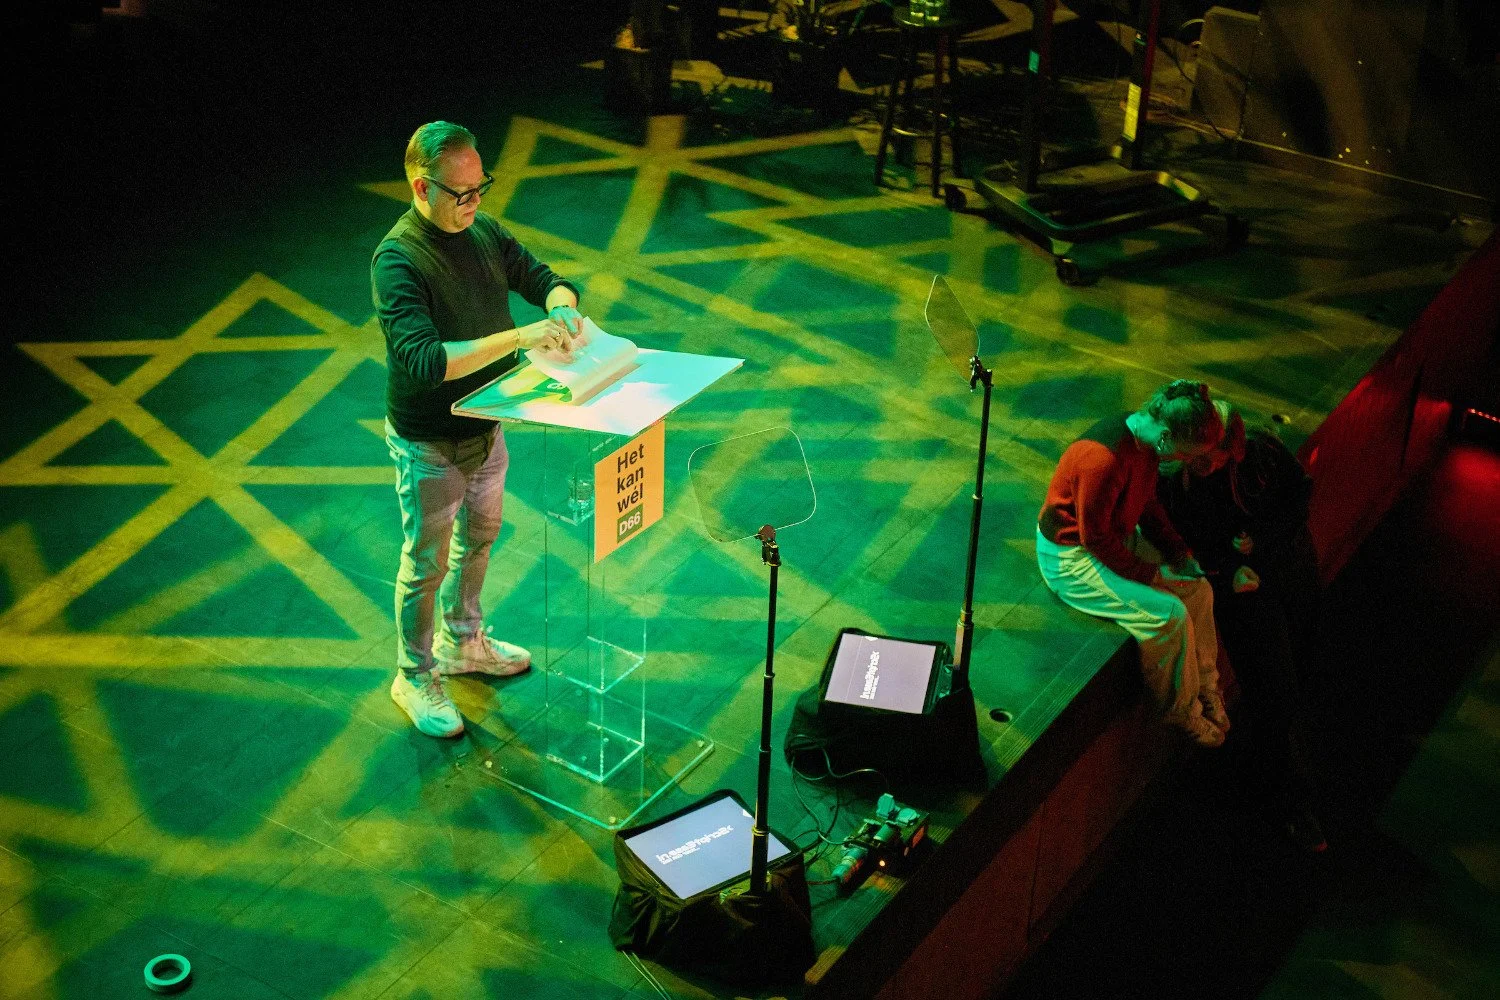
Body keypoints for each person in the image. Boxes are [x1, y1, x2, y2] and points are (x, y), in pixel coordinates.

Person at [372, 121, 582, 738]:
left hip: (489, 424)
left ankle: (463, 643)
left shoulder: (483, 230)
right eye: (461, 194)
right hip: (430, 442)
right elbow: (426, 360)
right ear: (422, 185)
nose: (474, 204)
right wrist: (520, 337)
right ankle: (413, 675)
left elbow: (541, 277)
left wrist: (562, 307)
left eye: (480, 188)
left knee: (481, 540)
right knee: (426, 563)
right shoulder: (398, 259)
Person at [1158, 401, 1327, 851]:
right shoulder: (1175, 481)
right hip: (1243, 597)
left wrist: (1264, 541)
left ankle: (1272, 771)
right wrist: (1228, 569)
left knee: (1301, 667)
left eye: (1214, 455)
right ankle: (1291, 803)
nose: (1207, 464)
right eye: (1198, 456)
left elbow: (1300, 491)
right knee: (1275, 687)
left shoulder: (1254, 452)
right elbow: (1179, 546)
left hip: (1289, 570)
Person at [1035, 380, 1229, 747]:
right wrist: (1153, 574)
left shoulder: (1148, 443)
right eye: (1186, 454)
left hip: (1112, 538)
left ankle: (1207, 685)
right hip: (1071, 556)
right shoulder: (1102, 459)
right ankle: (1181, 711)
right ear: (1168, 437)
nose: (1184, 462)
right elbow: (1095, 540)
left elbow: (1146, 503)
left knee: (1199, 590)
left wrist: (1178, 553)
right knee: (1168, 616)